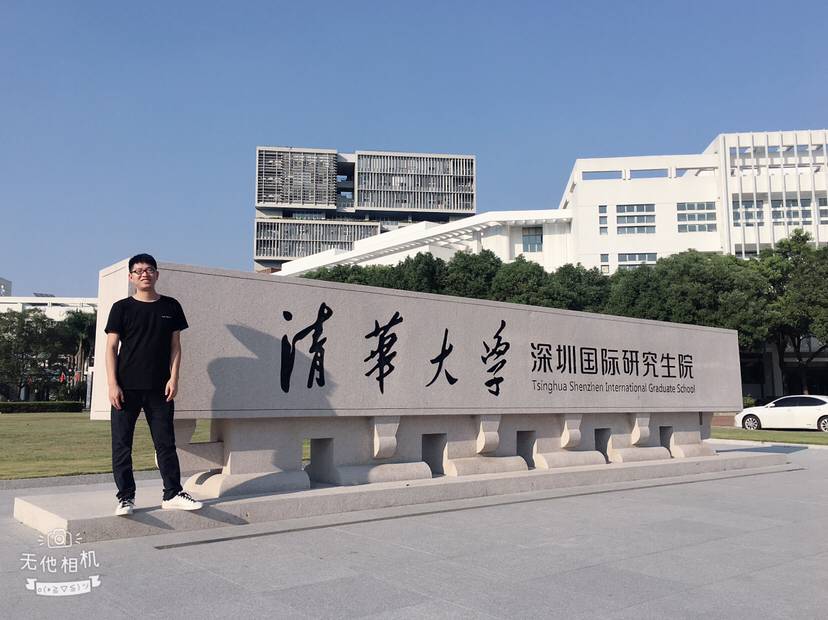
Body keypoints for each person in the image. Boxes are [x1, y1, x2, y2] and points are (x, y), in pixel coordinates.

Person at [104, 253, 203, 515]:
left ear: (157, 274)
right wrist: (112, 384)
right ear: (131, 277)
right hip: (125, 388)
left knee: (165, 443)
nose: (144, 274)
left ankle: (172, 493)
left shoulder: (171, 306)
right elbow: (111, 347)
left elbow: (175, 347)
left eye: (149, 270)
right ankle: (125, 497)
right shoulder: (121, 308)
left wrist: (174, 378)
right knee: (122, 444)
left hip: (160, 387)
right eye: (138, 271)